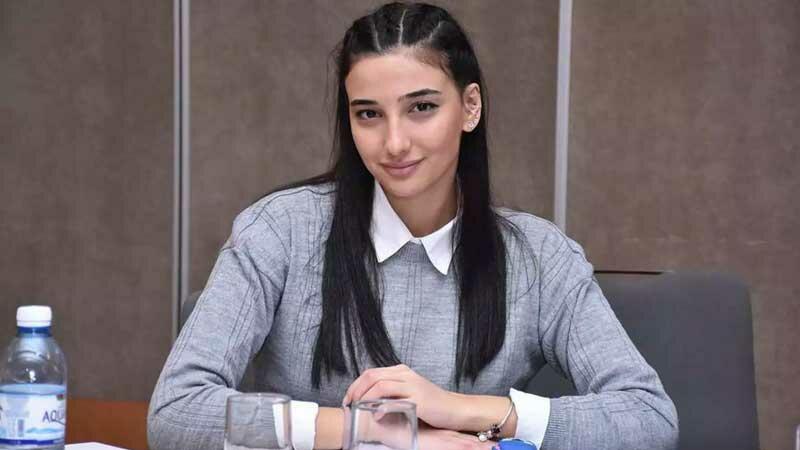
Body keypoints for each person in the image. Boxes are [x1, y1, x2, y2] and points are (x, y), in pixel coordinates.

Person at [147, 2, 679, 450]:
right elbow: (176, 410)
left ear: (469, 107)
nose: (394, 143)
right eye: (369, 114)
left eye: (421, 107)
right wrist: (374, 430)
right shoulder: (280, 231)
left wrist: (464, 410)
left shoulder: (538, 256)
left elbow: (648, 418)